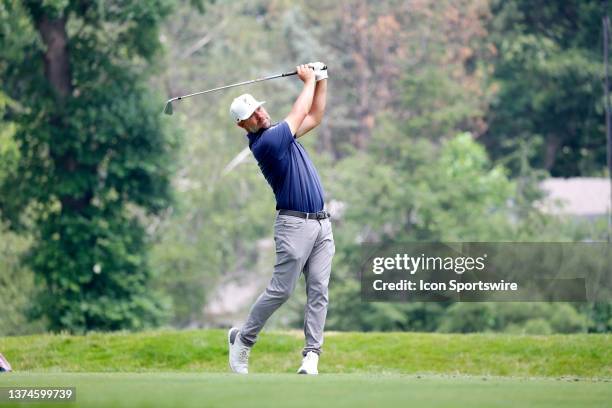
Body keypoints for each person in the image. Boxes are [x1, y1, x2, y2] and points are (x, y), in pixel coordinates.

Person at [227, 63, 334, 375]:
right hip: (294, 225)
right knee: (282, 290)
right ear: (242, 125)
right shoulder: (267, 143)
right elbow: (301, 111)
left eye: (260, 109)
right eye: (253, 116)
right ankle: (243, 339)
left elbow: (313, 117)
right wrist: (309, 80)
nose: (261, 115)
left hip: (321, 224)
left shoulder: (279, 134)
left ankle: (311, 356)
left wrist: (322, 80)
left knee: (319, 290)